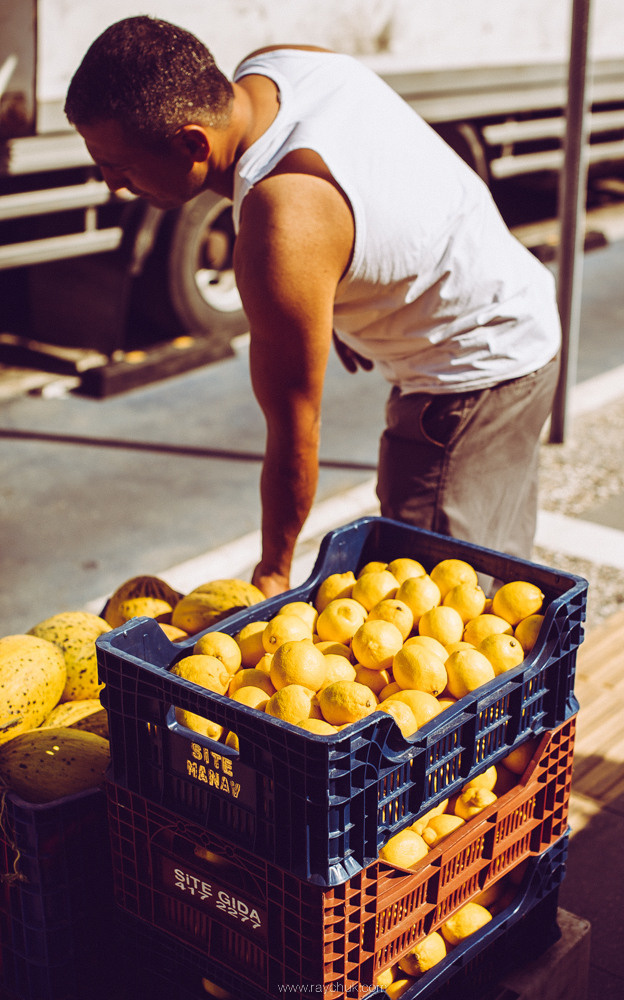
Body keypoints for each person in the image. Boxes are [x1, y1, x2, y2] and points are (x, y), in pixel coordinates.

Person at [65, 16, 561, 599]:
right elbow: (376, 163)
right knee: (498, 581)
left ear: (194, 143)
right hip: (519, 314)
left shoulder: (282, 226)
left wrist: (274, 569)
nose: (110, 185)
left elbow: (295, 427)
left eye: (119, 167)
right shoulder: (279, 64)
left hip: (470, 379)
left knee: (436, 620)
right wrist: (338, 291)